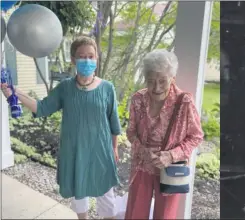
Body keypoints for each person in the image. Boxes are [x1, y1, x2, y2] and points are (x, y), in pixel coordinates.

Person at [1, 36, 122, 219]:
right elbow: (41, 108)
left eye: (91, 56)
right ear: (73, 59)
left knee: (106, 197)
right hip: (74, 153)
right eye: (82, 56)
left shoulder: (107, 88)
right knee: (79, 193)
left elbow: (114, 121)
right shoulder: (65, 88)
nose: (87, 60)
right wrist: (15, 92)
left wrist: (114, 148)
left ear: (97, 58)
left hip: (101, 153)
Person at [124, 49, 204, 219]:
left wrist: (170, 155)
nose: (156, 87)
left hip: (170, 168)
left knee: (165, 217)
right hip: (142, 165)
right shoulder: (138, 99)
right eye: (151, 81)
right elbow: (130, 132)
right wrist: (143, 151)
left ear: (172, 79)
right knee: (135, 214)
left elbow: (196, 136)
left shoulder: (184, 102)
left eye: (162, 81)